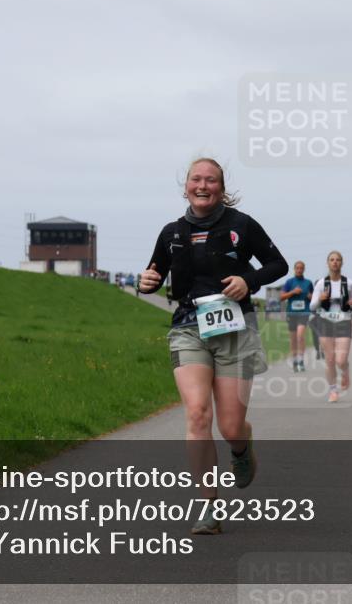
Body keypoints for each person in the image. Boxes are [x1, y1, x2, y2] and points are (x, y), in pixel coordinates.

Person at [139, 157, 288, 534]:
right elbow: (154, 275)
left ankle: (242, 447)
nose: (202, 185)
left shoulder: (241, 225)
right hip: (188, 329)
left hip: (234, 330)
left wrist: (248, 281)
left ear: (222, 188)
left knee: (230, 424)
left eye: (211, 180)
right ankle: (208, 505)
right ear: (185, 186)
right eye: (196, 179)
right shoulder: (171, 232)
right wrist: (146, 281)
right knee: (197, 415)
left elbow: (277, 264)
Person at [310, 251, 352, 402]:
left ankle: (345, 371)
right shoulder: (321, 283)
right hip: (326, 322)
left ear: (342, 263)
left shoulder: (348, 283)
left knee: (341, 360)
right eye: (332, 260)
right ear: (328, 263)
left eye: (338, 260)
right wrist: (319, 299)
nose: (335, 262)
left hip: (344, 321)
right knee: (330, 360)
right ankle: (333, 391)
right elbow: (312, 306)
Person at [279, 261, 313, 372]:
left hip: (304, 312)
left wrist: (310, 296)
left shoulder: (308, 283)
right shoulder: (289, 282)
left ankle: (301, 361)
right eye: (297, 268)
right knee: (293, 339)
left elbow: (314, 298)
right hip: (292, 313)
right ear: (294, 269)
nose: (299, 270)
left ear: (304, 269)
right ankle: (294, 361)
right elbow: (281, 297)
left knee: (300, 335)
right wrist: (293, 292)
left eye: (301, 268)